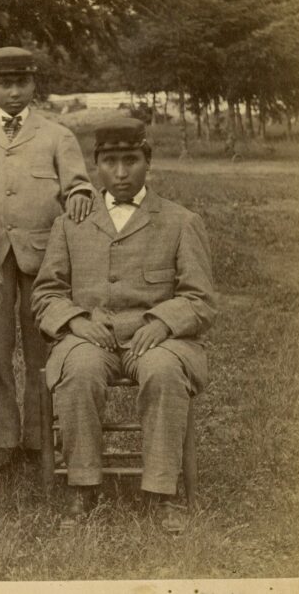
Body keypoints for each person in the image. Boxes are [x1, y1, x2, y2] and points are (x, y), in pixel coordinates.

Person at [31, 118, 216, 533]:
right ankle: (82, 487)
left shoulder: (180, 221)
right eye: (110, 162)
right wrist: (76, 320)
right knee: (78, 371)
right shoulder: (70, 223)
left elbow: (201, 299)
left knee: (165, 372)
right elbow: (45, 295)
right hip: (90, 337)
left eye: (130, 160)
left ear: (148, 162)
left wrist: (163, 322)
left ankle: (162, 493)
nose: (120, 173)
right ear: (96, 166)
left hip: (158, 340)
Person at [0, 46, 95, 469]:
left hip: (43, 257)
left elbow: (77, 184)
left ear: (34, 85)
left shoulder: (57, 135)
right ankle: (3, 434)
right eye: (4, 84)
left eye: (22, 83)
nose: (14, 92)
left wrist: (81, 194)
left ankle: (38, 434)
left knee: (40, 350)